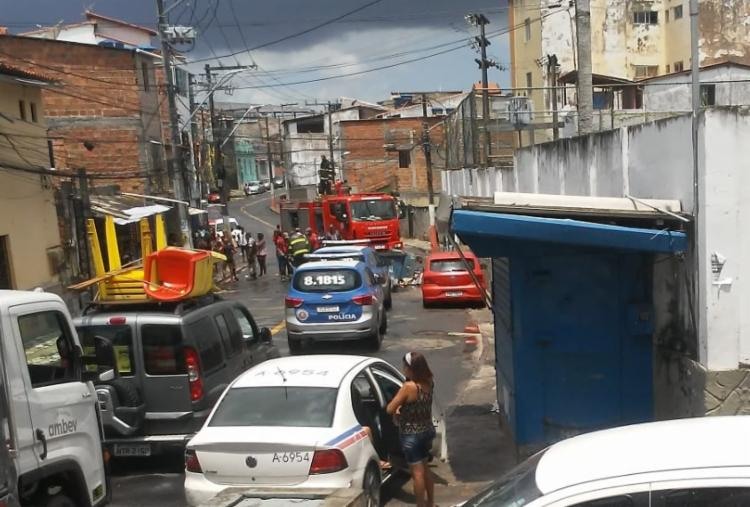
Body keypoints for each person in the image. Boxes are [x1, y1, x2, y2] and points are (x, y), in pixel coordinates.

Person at [387, 352, 435, 507]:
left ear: (411, 368)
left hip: (411, 435)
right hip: (427, 430)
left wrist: (397, 409)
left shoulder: (408, 387)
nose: (403, 369)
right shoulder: (429, 382)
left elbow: (389, 408)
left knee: (417, 473)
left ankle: (420, 504)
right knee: (425, 468)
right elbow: (417, 403)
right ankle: (430, 503)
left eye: (405, 367)